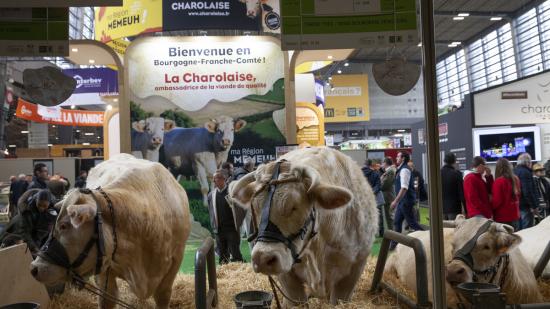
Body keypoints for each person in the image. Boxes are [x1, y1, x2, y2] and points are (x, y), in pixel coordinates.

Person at [0, 189, 58, 254]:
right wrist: (34, 248)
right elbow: (25, 233)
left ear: (49, 204)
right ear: (36, 200)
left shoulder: (51, 213)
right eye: (39, 205)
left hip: (32, 236)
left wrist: (37, 249)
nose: (41, 208)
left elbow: (41, 233)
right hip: (16, 229)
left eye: (44, 206)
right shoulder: (26, 210)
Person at [207, 170, 244, 264]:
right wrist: (214, 227)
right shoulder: (211, 195)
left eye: (217, 178)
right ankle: (224, 274)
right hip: (219, 230)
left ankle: (239, 272)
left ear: (224, 179)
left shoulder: (233, 193)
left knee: (235, 253)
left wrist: (238, 224)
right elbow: (211, 212)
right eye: (214, 178)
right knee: (222, 255)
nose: (214, 181)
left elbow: (242, 209)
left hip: (232, 229)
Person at [390, 151, 423, 249]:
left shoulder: (404, 170)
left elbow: (404, 188)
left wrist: (395, 201)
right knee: (397, 222)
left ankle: (427, 237)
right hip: (403, 201)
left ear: (403, 158)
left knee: (412, 223)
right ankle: (394, 245)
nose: (396, 158)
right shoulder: (401, 169)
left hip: (406, 201)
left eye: (398, 156)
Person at [492, 158, 521, 230]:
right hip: (515, 215)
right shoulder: (516, 179)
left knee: (505, 240)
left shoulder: (499, 181)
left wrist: (489, 208)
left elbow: (497, 201)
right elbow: (519, 195)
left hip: (502, 217)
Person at [514, 153, 539, 230]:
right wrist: (534, 206)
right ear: (527, 162)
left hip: (517, 205)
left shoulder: (515, 171)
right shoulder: (525, 172)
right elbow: (527, 191)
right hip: (525, 206)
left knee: (519, 229)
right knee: (527, 230)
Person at [362, 159, 385, 237]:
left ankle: (367, 233)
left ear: (364, 164)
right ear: (370, 165)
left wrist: (366, 193)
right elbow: (378, 186)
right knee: (379, 215)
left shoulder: (359, 173)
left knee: (366, 215)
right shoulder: (375, 173)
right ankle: (381, 232)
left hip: (364, 198)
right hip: (376, 197)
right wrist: (372, 192)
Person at [441, 153, 465, 220]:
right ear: (454, 161)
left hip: (441, 208)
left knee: (442, 229)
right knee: (454, 229)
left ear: (444, 161)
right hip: (454, 209)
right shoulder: (457, 174)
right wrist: (466, 209)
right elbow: (461, 193)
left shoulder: (438, 173)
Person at [380, 157, 395, 231]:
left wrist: (379, 185)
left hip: (389, 196)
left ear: (385, 163)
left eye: (382, 163)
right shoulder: (388, 171)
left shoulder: (390, 171)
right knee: (388, 216)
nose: (381, 165)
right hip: (387, 196)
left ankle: (393, 234)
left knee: (390, 216)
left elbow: (385, 185)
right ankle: (392, 233)